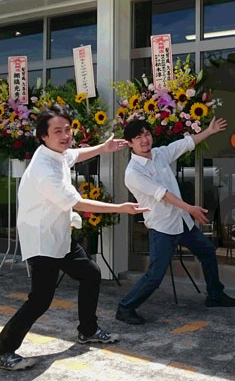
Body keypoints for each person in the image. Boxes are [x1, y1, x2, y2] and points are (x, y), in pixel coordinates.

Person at [0, 105, 150, 372]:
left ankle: (87, 330)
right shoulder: (44, 168)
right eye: (57, 131)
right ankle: (3, 350)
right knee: (40, 300)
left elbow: (74, 154)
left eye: (68, 129)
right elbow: (78, 203)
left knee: (90, 274)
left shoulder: (55, 153)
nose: (65, 135)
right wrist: (120, 208)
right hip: (42, 239)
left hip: (59, 234)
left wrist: (102, 148)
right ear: (43, 136)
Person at [115, 117, 235, 326]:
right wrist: (190, 208)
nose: (144, 140)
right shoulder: (133, 172)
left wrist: (208, 131)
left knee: (207, 251)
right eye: (138, 138)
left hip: (181, 222)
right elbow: (162, 193)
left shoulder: (160, 154)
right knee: (155, 276)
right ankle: (125, 307)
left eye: (146, 134)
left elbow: (186, 143)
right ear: (130, 144)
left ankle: (215, 295)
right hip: (162, 227)